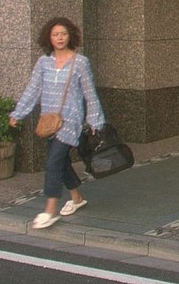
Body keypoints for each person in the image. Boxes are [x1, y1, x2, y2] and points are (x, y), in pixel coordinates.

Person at [10, 17, 105, 229]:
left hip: (70, 120)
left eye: (63, 34)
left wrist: (95, 120)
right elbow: (33, 89)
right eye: (55, 34)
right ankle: (77, 198)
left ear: (70, 36)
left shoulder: (80, 62)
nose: (60, 38)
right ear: (49, 38)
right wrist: (19, 113)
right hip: (49, 121)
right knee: (61, 162)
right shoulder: (43, 62)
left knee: (53, 162)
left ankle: (50, 210)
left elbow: (90, 93)